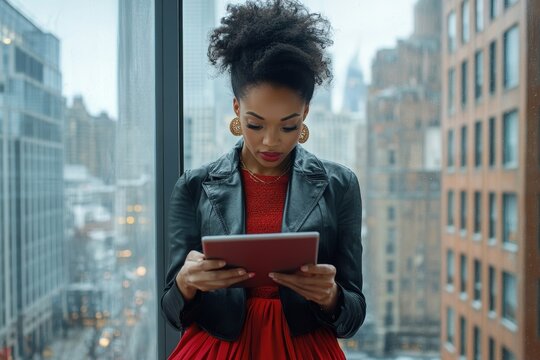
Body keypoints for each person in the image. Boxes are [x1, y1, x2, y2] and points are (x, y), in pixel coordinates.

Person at [161, 0, 366, 358]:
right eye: (256, 124)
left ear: (305, 112)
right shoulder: (194, 187)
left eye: (289, 125)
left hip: (304, 349)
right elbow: (171, 311)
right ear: (237, 108)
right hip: (216, 349)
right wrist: (185, 283)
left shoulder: (340, 185)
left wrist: (331, 296)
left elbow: (352, 316)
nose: (271, 141)